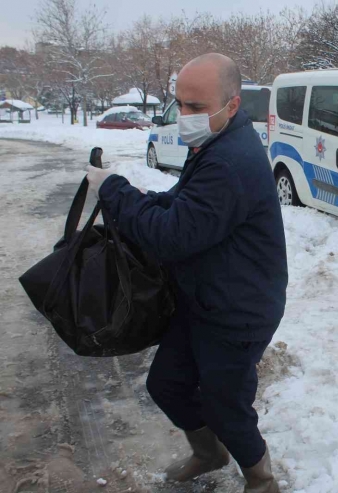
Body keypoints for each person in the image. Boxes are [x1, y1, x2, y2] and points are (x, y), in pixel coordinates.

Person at [86, 53, 287, 493]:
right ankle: (209, 452)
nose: (185, 116)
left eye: (197, 107)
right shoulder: (216, 144)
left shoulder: (230, 161)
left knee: (225, 403)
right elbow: (182, 203)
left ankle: (262, 481)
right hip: (205, 298)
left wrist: (115, 192)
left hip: (239, 309)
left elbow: (172, 237)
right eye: (180, 104)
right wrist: (134, 195)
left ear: (231, 105)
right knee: (167, 384)